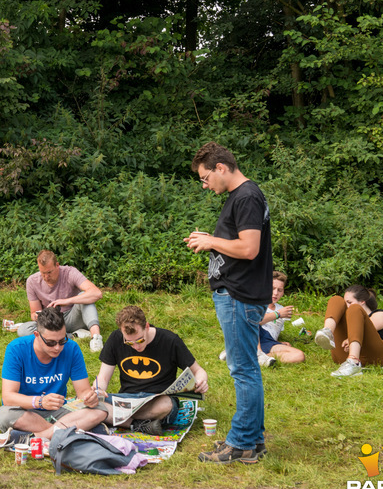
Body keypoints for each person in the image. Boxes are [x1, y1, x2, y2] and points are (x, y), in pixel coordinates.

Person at [184, 142, 271, 464]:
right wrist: (213, 241)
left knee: (243, 370)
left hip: (239, 295)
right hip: (238, 293)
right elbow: (239, 243)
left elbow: (249, 249)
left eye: (206, 177)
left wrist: (210, 241)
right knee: (246, 368)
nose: (206, 185)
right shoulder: (244, 196)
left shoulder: (246, 196)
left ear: (221, 167)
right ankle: (253, 440)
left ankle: (243, 444)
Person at [0, 307, 111, 440]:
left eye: (62, 341)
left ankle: (42, 435)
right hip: (26, 410)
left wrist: (91, 397)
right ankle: (71, 431)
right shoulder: (16, 349)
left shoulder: (72, 349)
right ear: (37, 335)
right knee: (5, 414)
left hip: (58, 410)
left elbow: (82, 393)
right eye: (51, 343)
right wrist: (40, 402)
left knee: (101, 409)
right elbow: (8, 397)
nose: (57, 348)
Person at [93, 305, 209, 435]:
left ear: (147, 326)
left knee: (166, 405)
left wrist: (201, 381)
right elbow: (102, 378)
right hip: (126, 399)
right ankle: (137, 425)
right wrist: (98, 389)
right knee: (91, 400)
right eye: (129, 343)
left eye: (140, 340)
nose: (136, 346)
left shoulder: (170, 340)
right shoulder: (115, 338)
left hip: (157, 400)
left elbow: (198, 371)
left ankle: (114, 417)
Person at [16, 250, 104, 353]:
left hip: (73, 316)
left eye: (49, 272)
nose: (46, 277)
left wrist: (66, 301)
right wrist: (40, 315)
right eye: (43, 273)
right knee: (23, 330)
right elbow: (33, 312)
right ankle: (75, 335)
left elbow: (97, 293)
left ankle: (96, 338)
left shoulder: (70, 272)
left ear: (57, 265)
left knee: (84, 297)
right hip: (51, 322)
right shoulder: (32, 281)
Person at [218, 270, 305, 366]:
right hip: (251, 334)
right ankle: (252, 353)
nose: (275, 293)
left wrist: (278, 342)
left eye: (279, 290)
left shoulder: (281, 309)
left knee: (299, 355)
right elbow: (252, 321)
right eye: (272, 288)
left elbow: (272, 331)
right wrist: (277, 314)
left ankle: (252, 357)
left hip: (268, 341)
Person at [314, 285, 383, 377]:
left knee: (354, 308)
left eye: (349, 302)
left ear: (362, 302)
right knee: (336, 299)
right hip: (343, 356)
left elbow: (364, 329)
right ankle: (327, 332)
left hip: (373, 358)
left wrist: (349, 339)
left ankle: (354, 362)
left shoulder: (381, 314)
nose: (346, 306)